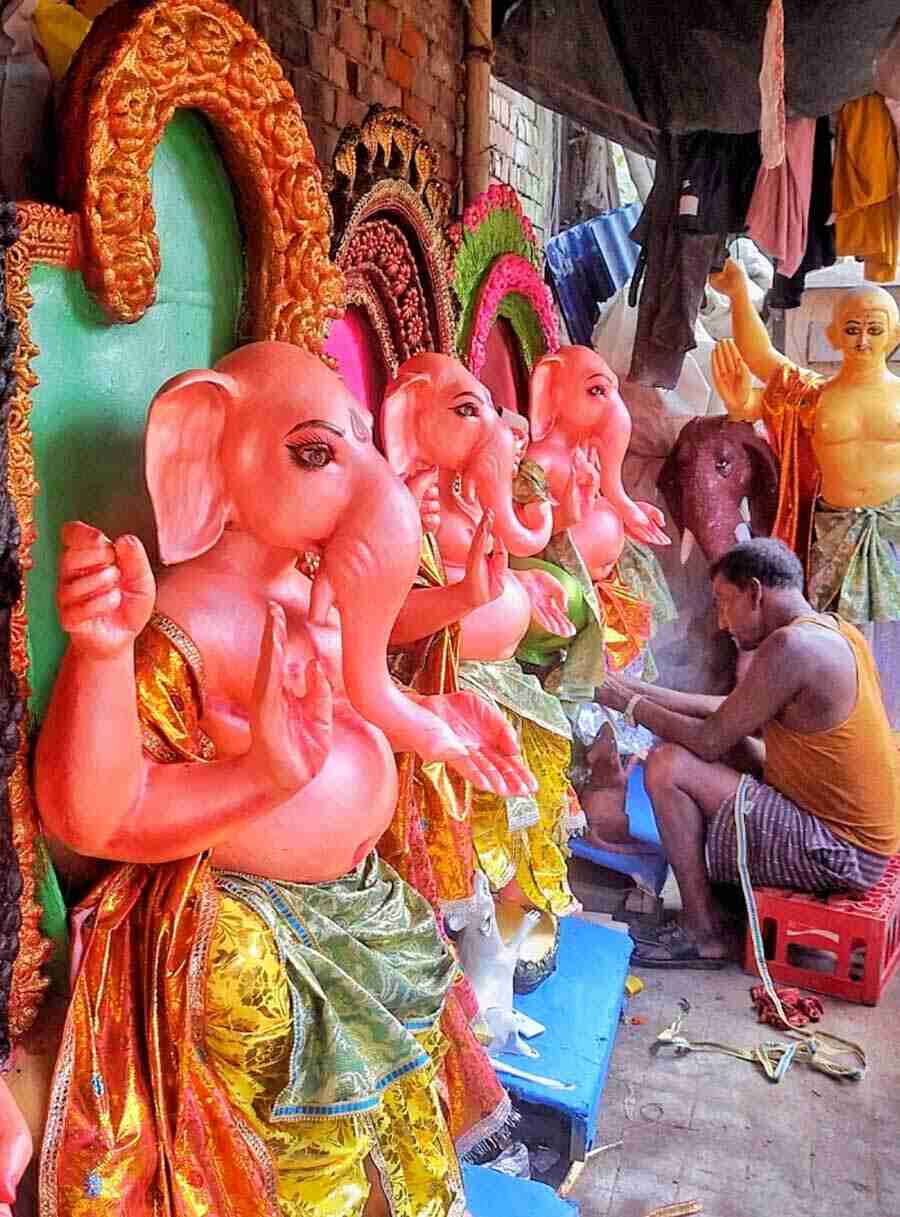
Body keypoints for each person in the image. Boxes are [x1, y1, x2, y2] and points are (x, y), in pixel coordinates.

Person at [594, 538, 900, 969]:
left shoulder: (792, 648)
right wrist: (628, 689)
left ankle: (705, 933)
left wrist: (628, 704)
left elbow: (709, 739)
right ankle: (719, 906)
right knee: (722, 748)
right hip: (855, 838)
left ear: (756, 592)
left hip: (842, 853)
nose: (721, 622)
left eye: (724, 602)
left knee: (669, 765)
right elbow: (734, 711)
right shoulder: (831, 630)